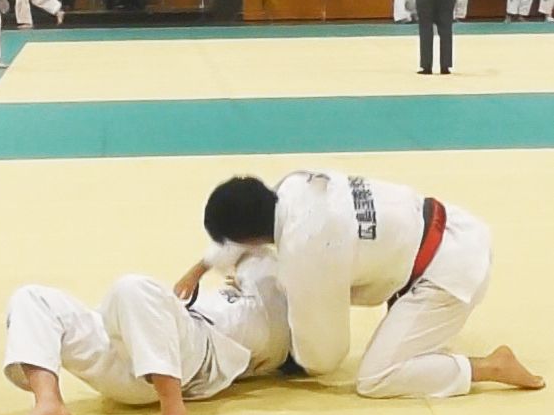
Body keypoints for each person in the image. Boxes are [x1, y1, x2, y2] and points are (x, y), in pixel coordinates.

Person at [176, 172, 545, 402]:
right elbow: (255, 236)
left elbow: (326, 356)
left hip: (447, 276)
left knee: (375, 378)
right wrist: (200, 268)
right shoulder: (293, 185)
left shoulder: (308, 251)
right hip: (451, 226)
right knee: (281, 270)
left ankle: (490, 367)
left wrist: (285, 359)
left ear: (244, 236)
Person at [3, 249, 289, 415]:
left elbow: (246, 238)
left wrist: (203, 270)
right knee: (32, 297)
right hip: (127, 355)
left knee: (132, 287)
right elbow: (234, 241)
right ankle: (48, 401)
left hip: (188, 357)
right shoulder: (248, 284)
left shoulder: (274, 313)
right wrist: (198, 272)